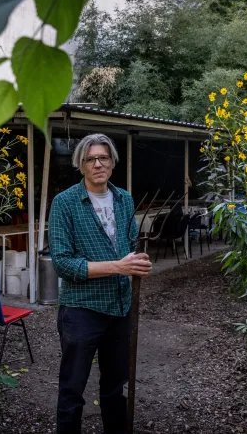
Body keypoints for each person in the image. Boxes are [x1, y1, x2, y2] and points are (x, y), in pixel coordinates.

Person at [48, 133, 153, 434]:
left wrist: (137, 260)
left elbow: (129, 245)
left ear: (112, 162)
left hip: (119, 309)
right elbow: (63, 264)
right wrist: (118, 267)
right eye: (90, 159)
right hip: (81, 310)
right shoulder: (64, 203)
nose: (97, 164)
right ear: (80, 165)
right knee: (72, 390)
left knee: (114, 388)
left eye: (103, 158)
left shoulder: (124, 199)